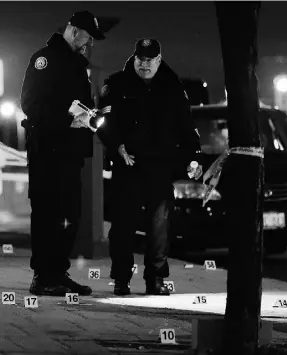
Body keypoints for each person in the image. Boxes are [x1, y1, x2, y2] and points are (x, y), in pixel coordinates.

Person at [97, 38, 203, 296]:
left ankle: (156, 278)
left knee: (159, 226)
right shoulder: (117, 84)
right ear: (134, 58)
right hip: (128, 164)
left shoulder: (173, 86)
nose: (144, 65)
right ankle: (121, 279)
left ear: (158, 59)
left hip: (160, 165)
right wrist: (117, 146)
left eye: (149, 60)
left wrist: (193, 156)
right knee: (123, 225)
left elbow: (186, 126)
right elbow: (103, 121)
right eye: (140, 59)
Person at [20, 11, 106, 296]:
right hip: (47, 150)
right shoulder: (44, 59)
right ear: (73, 31)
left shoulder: (75, 63)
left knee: (70, 213)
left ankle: (58, 271)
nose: (89, 43)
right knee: (48, 213)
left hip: (69, 151)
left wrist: (89, 116)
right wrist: (67, 119)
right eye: (87, 36)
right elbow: (30, 104)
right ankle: (43, 276)